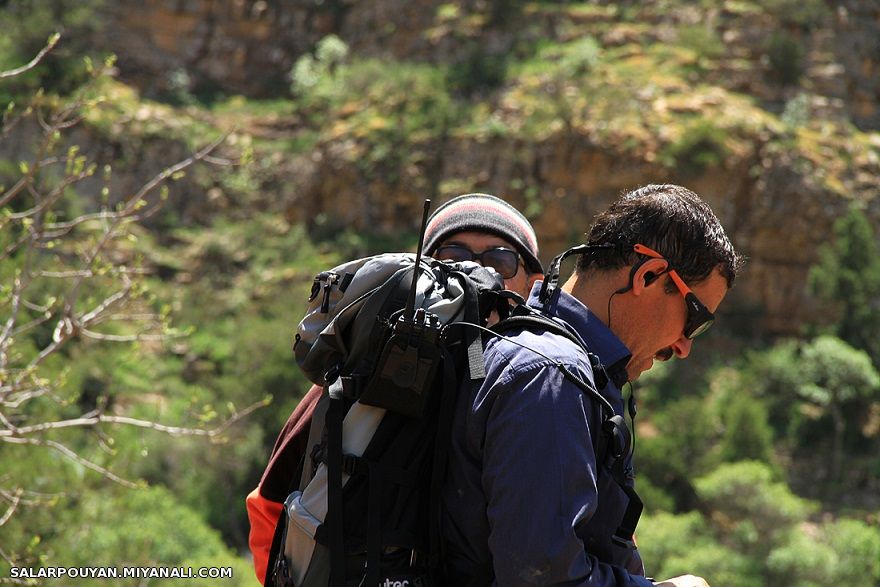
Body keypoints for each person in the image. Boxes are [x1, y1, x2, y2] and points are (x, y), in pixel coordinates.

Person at [441, 184, 743, 587]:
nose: (686, 345)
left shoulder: (547, 359)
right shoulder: (549, 375)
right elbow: (543, 579)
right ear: (649, 275)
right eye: (695, 318)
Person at [246, 193, 545, 584]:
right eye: (454, 256)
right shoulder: (365, 372)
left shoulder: (539, 386)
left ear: (532, 284)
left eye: (499, 259)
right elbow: (270, 508)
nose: (474, 271)